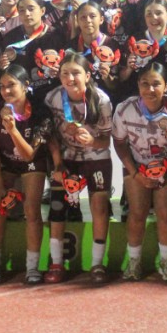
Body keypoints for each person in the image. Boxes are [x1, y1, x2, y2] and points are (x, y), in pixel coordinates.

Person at [113, 62, 167, 282]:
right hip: (137, 165)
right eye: (145, 84)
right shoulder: (124, 109)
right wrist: (135, 174)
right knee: (136, 212)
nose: (150, 89)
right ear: (138, 85)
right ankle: (134, 262)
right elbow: (119, 143)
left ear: (165, 86)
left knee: (165, 213)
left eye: (156, 84)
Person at [45, 51, 115, 283]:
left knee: (100, 207)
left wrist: (92, 141)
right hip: (66, 159)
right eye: (65, 73)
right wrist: (57, 163)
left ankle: (97, 264)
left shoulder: (102, 100)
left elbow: (106, 139)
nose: (70, 78)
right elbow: (51, 135)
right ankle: (56, 263)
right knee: (57, 208)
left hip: (96, 158)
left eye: (76, 73)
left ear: (87, 75)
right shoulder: (53, 98)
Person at [0, 64, 53, 285]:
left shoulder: (41, 112)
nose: (6, 91)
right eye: (2, 87)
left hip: (32, 161)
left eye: (11, 85)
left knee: (32, 208)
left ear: (26, 86)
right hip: (6, 163)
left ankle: (32, 267)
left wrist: (12, 130)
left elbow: (30, 155)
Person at [0, 0, 68, 107]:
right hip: (23, 98)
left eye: (31, 9)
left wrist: (60, 71)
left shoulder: (57, 35)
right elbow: (7, 72)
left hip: (52, 96)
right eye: (22, 10)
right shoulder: (11, 38)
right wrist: (2, 66)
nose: (27, 14)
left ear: (42, 11)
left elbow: (67, 65)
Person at [118, 0, 167, 104]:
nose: (154, 17)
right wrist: (129, 68)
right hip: (139, 101)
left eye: (158, 13)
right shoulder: (135, 40)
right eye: (149, 14)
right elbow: (122, 78)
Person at [70, 0, 124, 103]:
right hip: (79, 101)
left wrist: (107, 77)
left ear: (101, 19)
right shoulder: (71, 47)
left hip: (106, 102)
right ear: (77, 20)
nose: (88, 21)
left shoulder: (112, 45)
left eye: (92, 16)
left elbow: (116, 85)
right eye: (83, 17)